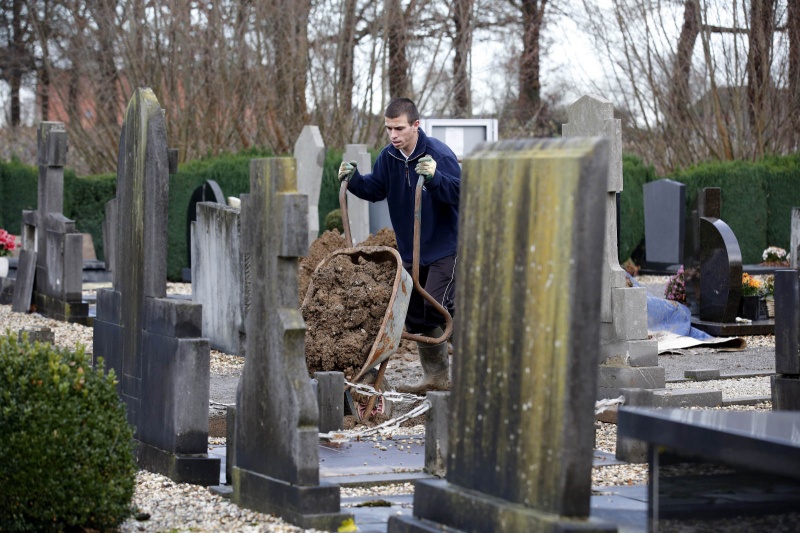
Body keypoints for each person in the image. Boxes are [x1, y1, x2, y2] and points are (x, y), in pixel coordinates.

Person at [338, 97, 460, 394]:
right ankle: (437, 377)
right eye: (389, 128)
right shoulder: (388, 157)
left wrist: (435, 178)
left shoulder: (438, 155)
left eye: (399, 128)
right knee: (416, 316)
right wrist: (353, 181)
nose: (393, 135)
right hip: (411, 250)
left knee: (439, 307)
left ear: (416, 125)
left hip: (445, 247)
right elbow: (375, 189)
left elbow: (461, 193)